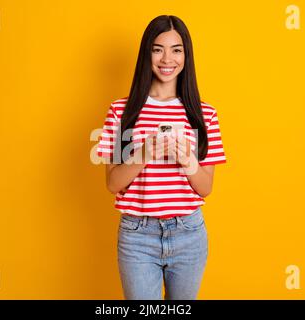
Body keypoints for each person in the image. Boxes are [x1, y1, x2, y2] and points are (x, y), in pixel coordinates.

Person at [96, 15, 227, 300]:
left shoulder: (205, 114)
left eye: (176, 49)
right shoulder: (122, 111)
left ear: (185, 55)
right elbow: (112, 184)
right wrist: (143, 154)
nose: (167, 58)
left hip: (189, 233)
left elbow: (206, 188)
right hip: (137, 235)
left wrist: (188, 160)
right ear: (147, 54)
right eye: (158, 49)